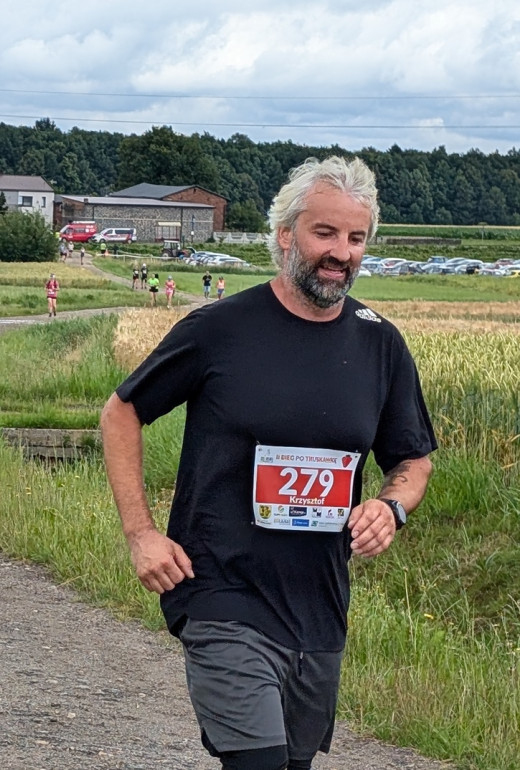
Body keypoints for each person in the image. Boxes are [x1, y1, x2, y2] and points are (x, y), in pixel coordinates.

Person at [100, 156, 436, 770]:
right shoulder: (220, 329)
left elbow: (412, 458)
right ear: (286, 234)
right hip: (220, 591)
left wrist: (392, 507)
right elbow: (120, 414)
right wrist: (141, 533)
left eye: (355, 238)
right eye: (324, 233)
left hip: (317, 606)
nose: (340, 253)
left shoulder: (379, 343)